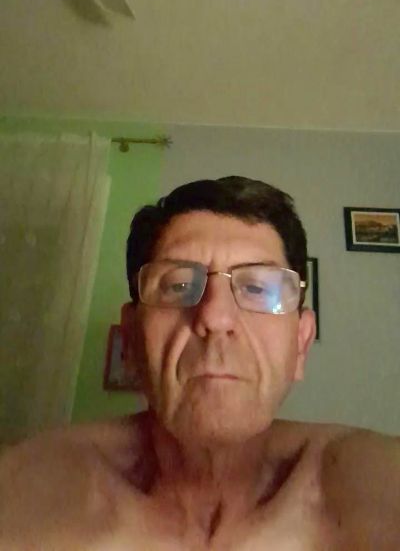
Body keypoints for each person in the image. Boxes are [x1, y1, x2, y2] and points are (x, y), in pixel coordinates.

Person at [0, 176, 399, 550]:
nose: (215, 317)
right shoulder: (26, 489)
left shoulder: (367, 480)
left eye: (258, 287)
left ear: (300, 344)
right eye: (178, 285)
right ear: (131, 341)